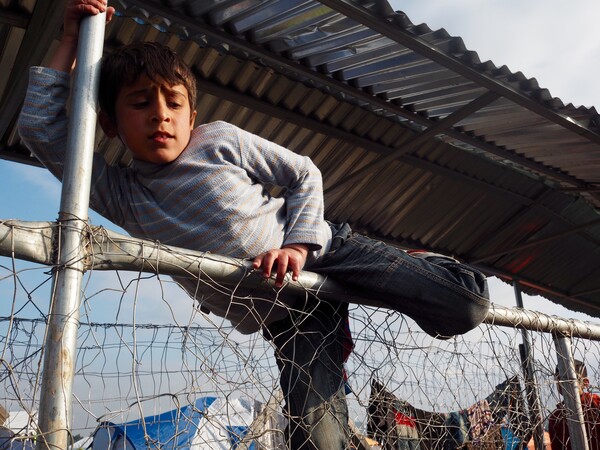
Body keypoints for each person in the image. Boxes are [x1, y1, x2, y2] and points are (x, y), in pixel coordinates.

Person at [17, 1, 490, 448]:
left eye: (173, 103)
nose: (160, 114)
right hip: (290, 316)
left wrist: (298, 248)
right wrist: (68, 40)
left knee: (466, 306)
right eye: (140, 103)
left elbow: (303, 173)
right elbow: (41, 131)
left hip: (329, 252)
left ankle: (424, 265)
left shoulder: (218, 141)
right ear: (110, 125)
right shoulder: (124, 195)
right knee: (318, 439)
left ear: (192, 115)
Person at [549, 360, 600, 450]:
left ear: (585, 383)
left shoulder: (596, 404)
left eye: (571, 379)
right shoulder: (556, 417)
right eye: (559, 380)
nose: (563, 384)